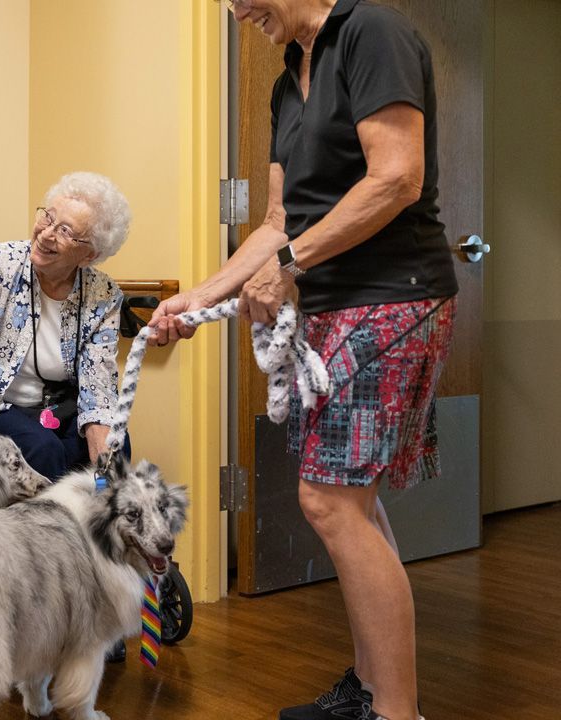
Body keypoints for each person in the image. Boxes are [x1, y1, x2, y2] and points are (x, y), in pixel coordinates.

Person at [151, 2, 457, 719]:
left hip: (393, 296)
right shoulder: (288, 80)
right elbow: (278, 223)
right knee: (347, 501)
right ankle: (372, 689)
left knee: (328, 500)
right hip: (333, 303)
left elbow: (396, 177)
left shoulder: (371, 34)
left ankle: (396, 712)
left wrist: (288, 265)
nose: (234, 10)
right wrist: (200, 297)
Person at [0, 171, 132, 482]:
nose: (46, 234)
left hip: (57, 408)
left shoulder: (104, 295)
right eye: (48, 217)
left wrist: (106, 476)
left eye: (65, 230)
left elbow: (98, 391)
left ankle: (96, 526)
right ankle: (44, 531)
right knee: (43, 451)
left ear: (89, 255)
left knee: (115, 449)